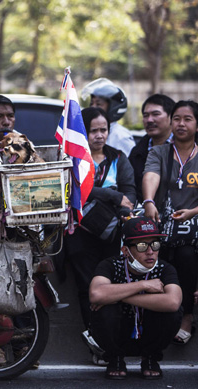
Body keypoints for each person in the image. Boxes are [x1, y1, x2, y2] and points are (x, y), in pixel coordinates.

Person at [63, 107, 135, 360]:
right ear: (83, 132)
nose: (99, 135)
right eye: (93, 130)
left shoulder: (118, 158)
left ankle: (112, 342)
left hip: (112, 234)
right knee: (87, 288)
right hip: (80, 234)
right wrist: (113, 195)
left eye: (103, 130)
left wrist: (119, 201)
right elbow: (76, 190)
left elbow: (130, 195)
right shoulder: (73, 159)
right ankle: (96, 342)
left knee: (113, 287)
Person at [89, 217, 182, 380]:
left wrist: (120, 296)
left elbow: (173, 302)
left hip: (149, 332)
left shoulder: (164, 268)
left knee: (172, 313)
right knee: (105, 310)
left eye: (155, 245)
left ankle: (150, 358)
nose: (150, 251)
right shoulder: (110, 265)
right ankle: (115, 358)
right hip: (120, 333)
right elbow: (96, 294)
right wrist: (143, 286)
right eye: (142, 246)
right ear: (126, 251)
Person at [143, 100, 198, 346]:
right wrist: (148, 201)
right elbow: (151, 175)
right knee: (151, 253)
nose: (181, 124)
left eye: (188, 119)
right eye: (177, 118)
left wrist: (193, 212)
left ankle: (187, 316)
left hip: (194, 224)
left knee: (186, 256)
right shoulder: (160, 151)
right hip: (163, 222)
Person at [128, 94, 175, 202]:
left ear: (171, 117)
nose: (149, 120)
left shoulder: (189, 147)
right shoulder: (137, 152)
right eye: (145, 115)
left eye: (156, 114)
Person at [81, 78, 136, 156]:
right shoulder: (86, 129)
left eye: (98, 104)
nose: (93, 107)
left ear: (113, 107)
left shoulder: (121, 136)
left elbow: (128, 164)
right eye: (92, 103)